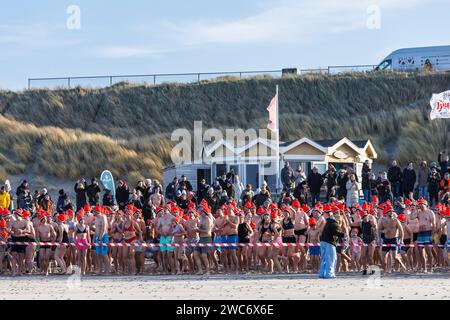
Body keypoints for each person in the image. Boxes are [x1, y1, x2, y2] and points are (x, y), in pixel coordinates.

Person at [319, 208, 345, 279]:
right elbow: (335, 233)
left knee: (324, 259)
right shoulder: (334, 223)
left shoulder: (328, 222)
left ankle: (322, 274)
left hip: (323, 241)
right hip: (329, 242)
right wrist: (343, 235)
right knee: (331, 258)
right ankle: (329, 274)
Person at [194, 206, 214, 275]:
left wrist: (198, 229)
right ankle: (200, 270)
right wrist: (196, 227)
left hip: (207, 238)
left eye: (202, 212)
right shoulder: (200, 218)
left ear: (205, 213)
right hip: (201, 238)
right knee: (196, 253)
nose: (200, 213)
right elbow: (199, 227)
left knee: (204, 255)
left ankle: (207, 270)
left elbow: (207, 231)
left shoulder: (208, 220)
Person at [93, 206, 110, 275]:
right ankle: (100, 270)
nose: (93, 212)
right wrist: (94, 238)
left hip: (103, 237)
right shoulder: (96, 218)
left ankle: (107, 271)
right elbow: (96, 229)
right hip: (97, 237)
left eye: (93, 211)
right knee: (98, 254)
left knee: (104, 254)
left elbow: (103, 228)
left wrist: (100, 238)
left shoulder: (103, 217)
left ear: (96, 211)